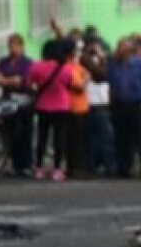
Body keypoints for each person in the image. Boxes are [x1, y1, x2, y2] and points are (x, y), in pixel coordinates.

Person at [107, 37, 141, 178]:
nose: (119, 51)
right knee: (121, 138)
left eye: (122, 48)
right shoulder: (113, 64)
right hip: (119, 105)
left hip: (137, 104)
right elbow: (110, 83)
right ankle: (123, 168)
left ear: (129, 50)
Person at [29, 40, 74, 181]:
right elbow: (69, 83)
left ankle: (38, 168)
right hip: (61, 106)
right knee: (59, 138)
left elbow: (30, 83)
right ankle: (57, 169)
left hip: (42, 106)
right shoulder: (65, 68)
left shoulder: (36, 67)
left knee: (42, 137)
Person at [0, 33, 35, 176]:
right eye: (11, 45)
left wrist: (6, 80)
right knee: (9, 132)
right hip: (7, 101)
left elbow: (22, 81)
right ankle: (11, 162)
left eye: (16, 45)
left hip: (24, 103)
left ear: (22, 47)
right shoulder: (3, 61)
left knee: (24, 132)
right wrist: (8, 81)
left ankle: (25, 164)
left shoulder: (28, 63)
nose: (13, 48)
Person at [83, 43, 115, 177]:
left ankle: (102, 166)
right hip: (91, 105)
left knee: (102, 139)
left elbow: (104, 75)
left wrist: (102, 58)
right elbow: (99, 74)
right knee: (96, 139)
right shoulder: (85, 63)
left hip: (102, 105)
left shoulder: (105, 64)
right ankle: (95, 166)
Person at [64, 42, 90, 177]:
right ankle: (75, 168)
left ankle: (76, 167)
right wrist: (85, 80)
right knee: (75, 141)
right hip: (74, 108)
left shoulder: (75, 66)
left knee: (77, 140)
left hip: (79, 107)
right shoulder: (69, 68)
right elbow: (79, 86)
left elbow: (87, 74)